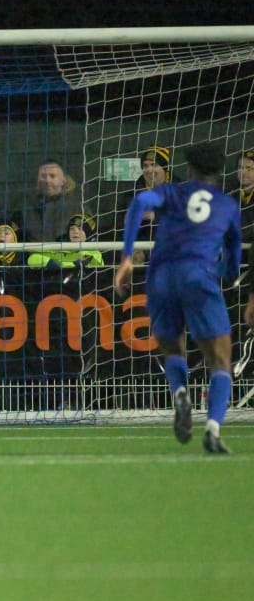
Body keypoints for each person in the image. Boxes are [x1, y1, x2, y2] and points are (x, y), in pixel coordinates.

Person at [114, 142, 241, 454]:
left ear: (190, 170)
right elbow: (233, 260)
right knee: (220, 359)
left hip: (162, 277)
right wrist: (223, 272)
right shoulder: (227, 205)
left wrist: (128, 257)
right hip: (199, 277)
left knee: (172, 346)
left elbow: (141, 199)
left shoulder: (172, 192)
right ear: (220, 173)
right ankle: (212, 428)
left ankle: (180, 392)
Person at [13, 158, 82, 242]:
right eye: (43, 176)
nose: (47, 180)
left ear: (63, 181)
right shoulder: (25, 208)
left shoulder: (76, 207)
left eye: (52, 176)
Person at [27, 214, 105, 270]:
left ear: (88, 233)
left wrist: (60, 265)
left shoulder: (94, 253)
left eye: (80, 228)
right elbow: (32, 259)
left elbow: (97, 268)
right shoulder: (60, 249)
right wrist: (50, 263)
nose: (75, 232)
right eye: (72, 229)